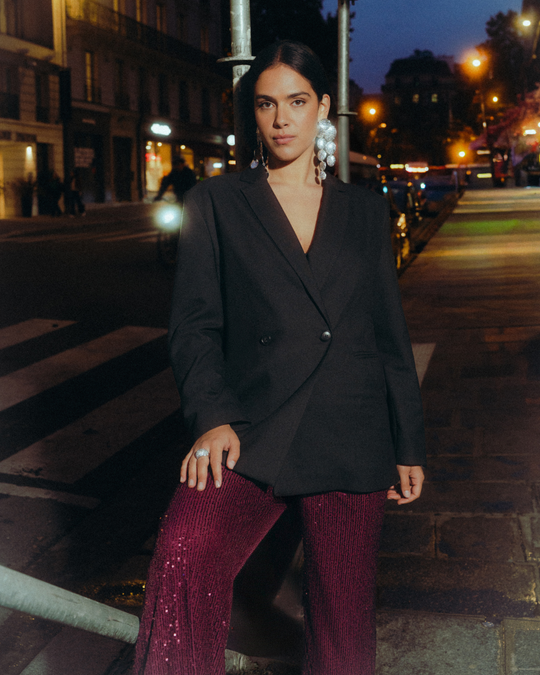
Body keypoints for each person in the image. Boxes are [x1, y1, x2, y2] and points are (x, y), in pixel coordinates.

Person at [134, 41, 426, 675]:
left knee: (343, 624)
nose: (282, 119)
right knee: (185, 555)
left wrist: (407, 443)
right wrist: (212, 419)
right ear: (254, 114)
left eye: (297, 102)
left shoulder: (365, 211)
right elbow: (194, 327)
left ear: (323, 107)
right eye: (266, 104)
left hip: (351, 430)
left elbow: (388, 335)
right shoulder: (216, 203)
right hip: (252, 426)